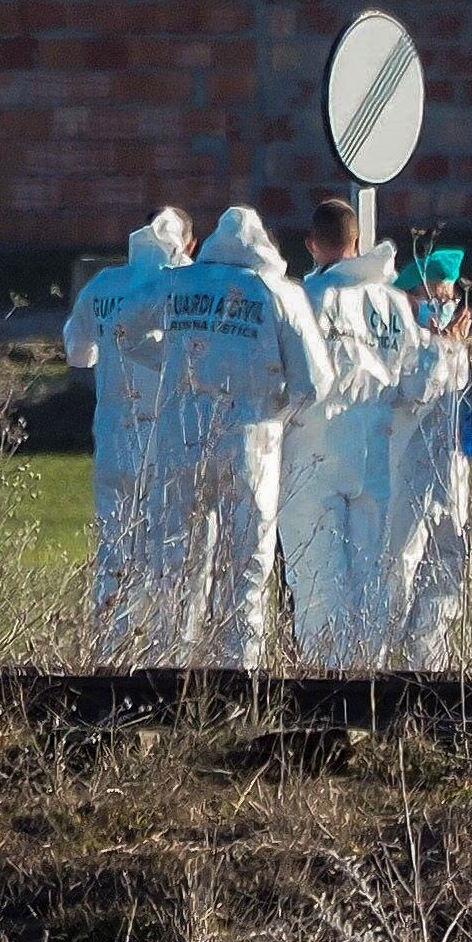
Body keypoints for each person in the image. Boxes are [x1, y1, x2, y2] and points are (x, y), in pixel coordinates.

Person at [112, 206, 332, 667]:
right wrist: (278, 413)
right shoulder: (279, 293)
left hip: (180, 436)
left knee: (175, 557)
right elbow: (314, 382)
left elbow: (122, 327)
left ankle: (170, 665)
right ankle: (239, 671)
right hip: (251, 444)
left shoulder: (180, 283)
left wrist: (168, 360)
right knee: (247, 565)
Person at [278, 199, 418, 666]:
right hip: (372, 452)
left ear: (311, 245)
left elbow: (289, 378)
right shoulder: (393, 304)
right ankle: (368, 680)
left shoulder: (306, 300)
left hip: (312, 453)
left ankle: (325, 686)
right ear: (356, 241)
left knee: (317, 579)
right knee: (371, 576)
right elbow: (413, 385)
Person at [62, 207, 195, 659]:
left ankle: (112, 650)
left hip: (115, 436)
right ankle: (168, 654)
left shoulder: (103, 286)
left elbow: (78, 352)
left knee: (116, 549)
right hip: (168, 436)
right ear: (189, 244)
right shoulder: (184, 287)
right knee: (169, 550)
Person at [382, 248, 472, 668]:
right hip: (409, 470)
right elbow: (413, 394)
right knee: (401, 561)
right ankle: (383, 650)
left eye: (449, 297)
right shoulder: (405, 341)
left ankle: (429, 658)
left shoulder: (458, 348)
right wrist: (439, 348)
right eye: (433, 297)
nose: (443, 306)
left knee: (446, 565)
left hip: (451, 475)